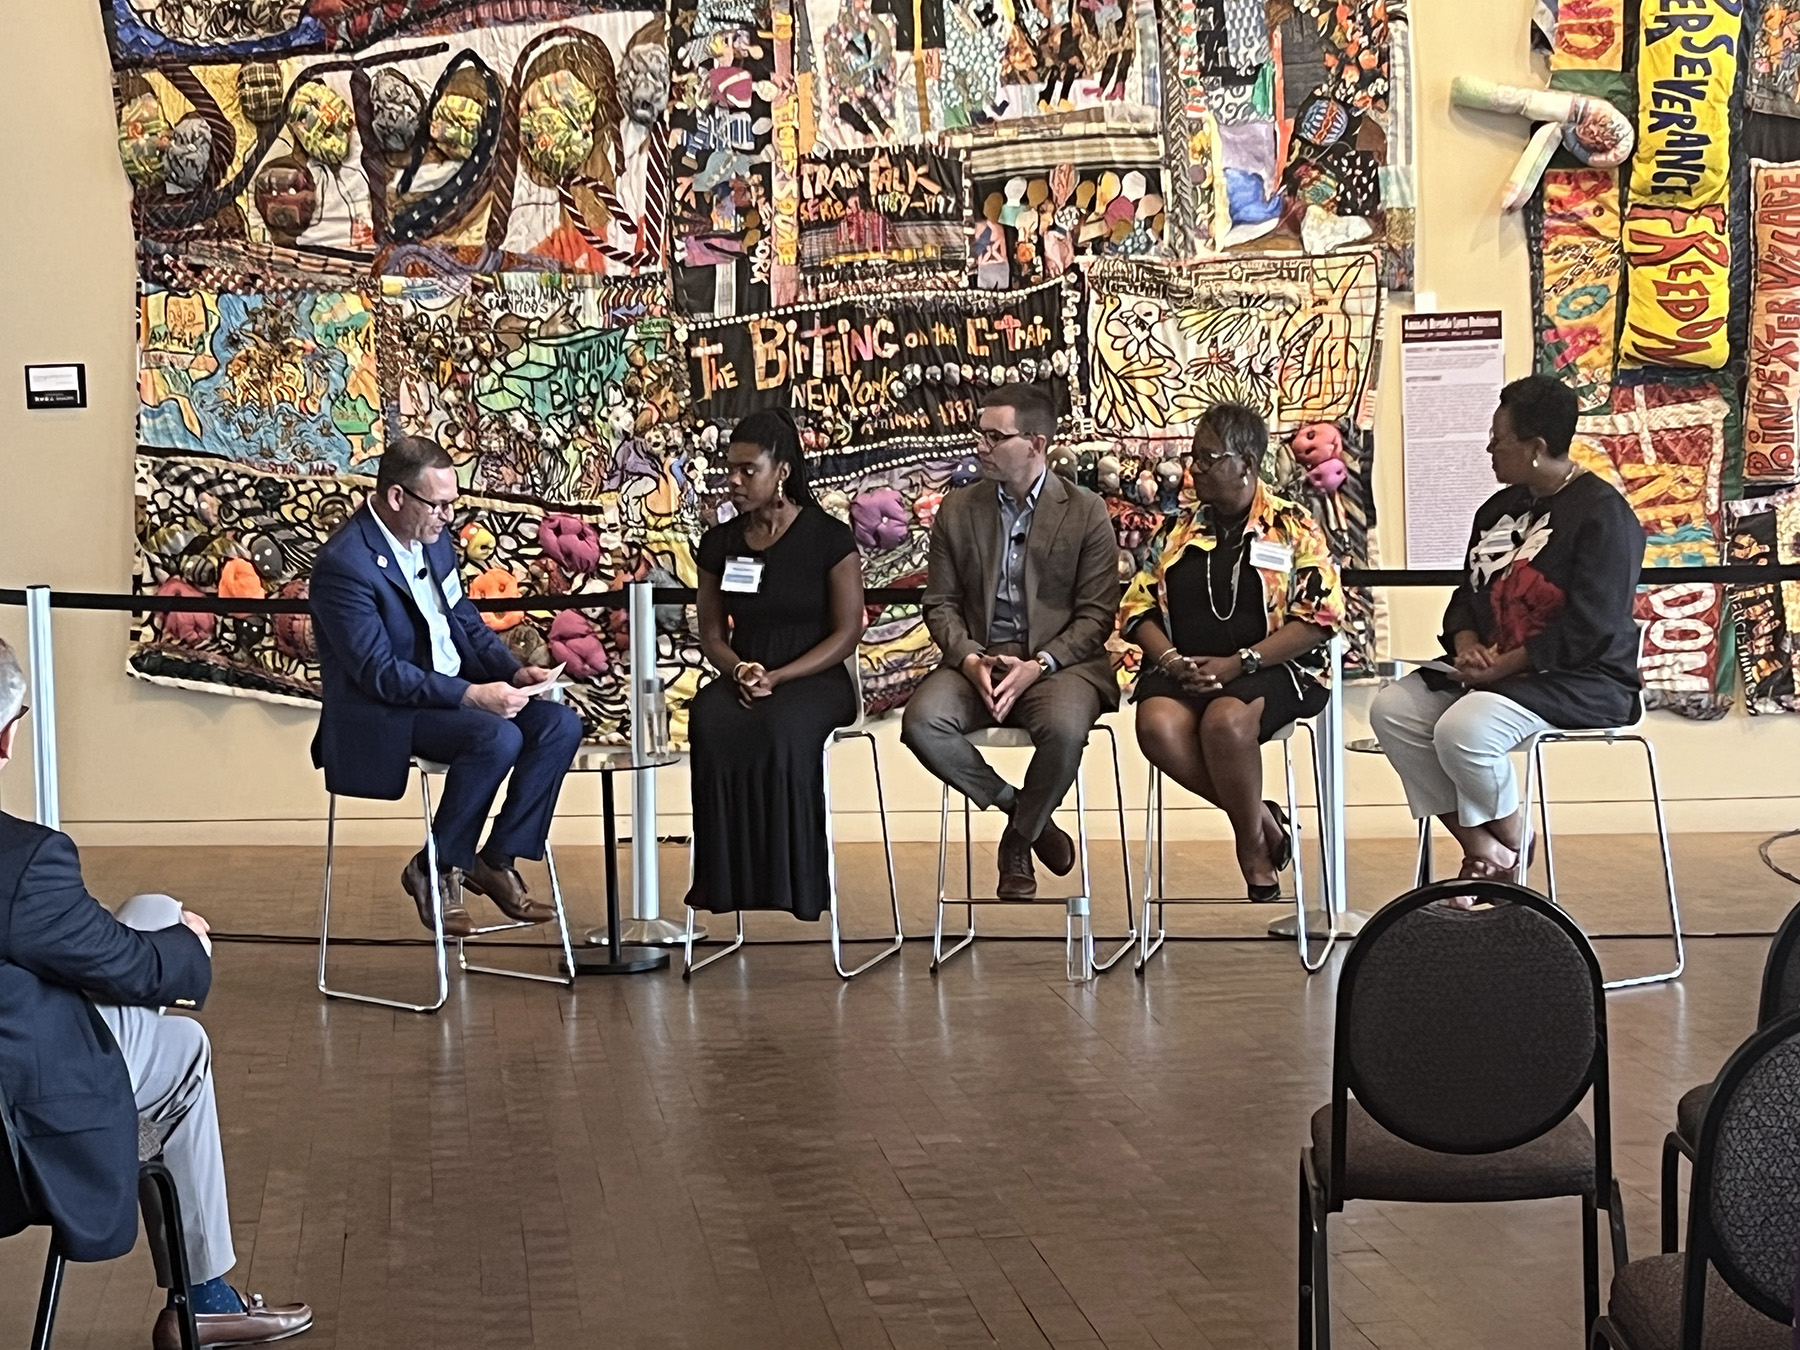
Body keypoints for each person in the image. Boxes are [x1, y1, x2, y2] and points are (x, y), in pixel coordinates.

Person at [0, 640, 312, 1349]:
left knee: (148, 920)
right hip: (20, 1131)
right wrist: (189, 946)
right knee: (180, 1030)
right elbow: (133, 970)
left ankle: (207, 1297)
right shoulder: (23, 862)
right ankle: (202, 1300)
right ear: (7, 737)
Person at [1370, 374, 1646, 883]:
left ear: (1536, 448)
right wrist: (1469, 645)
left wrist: (1504, 666)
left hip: (1579, 676)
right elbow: (1467, 598)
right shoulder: (1497, 511)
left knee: (1463, 730)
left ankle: (1498, 856)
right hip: (1496, 673)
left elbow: (1593, 626)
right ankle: (1500, 848)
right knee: (1393, 710)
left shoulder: (1604, 517)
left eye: (1499, 438)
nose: (1489, 447)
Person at [310, 435, 582, 937]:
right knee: (496, 736)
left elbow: (464, 621)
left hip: (452, 696)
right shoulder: (344, 566)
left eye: (453, 504)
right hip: (386, 712)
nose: (447, 517)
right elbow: (378, 672)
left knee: (559, 725)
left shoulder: (433, 543)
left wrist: (511, 672)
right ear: (397, 497)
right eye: (438, 505)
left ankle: (494, 860)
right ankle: (434, 869)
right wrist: (471, 695)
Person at [900, 383, 1120, 900]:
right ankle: (1022, 814)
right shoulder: (958, 510)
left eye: (994, 436)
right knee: (922, 724)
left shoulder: (1085, 511)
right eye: (980, 434)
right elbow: (940, 604)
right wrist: (969, 657)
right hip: (978, 661)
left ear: (1036, 444)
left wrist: (1040, 664)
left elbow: (1096, 617)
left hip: (1058, 666)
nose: (980, 446)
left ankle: (1016, 843)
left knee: (1066, 731)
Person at [1121, 404, 1347, 901]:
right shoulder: (1177, 529)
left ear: (1245, 463)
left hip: (1275, 665)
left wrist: (1242, 662)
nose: (1192, 470)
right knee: (1156, 726)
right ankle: (1261, 817)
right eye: (1193, 458)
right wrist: (1172, 661)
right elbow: (1136, 609)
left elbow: (1321, 616)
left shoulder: (1293, 526)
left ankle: (1250, 845)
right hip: (1186, 666)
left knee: (1224, 724)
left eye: (1206, 458)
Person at [685, 411, 866, 919]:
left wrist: (781, 676)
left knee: (783, 723)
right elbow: (713, 635)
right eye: (730, 470)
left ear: (781, 470)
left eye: (749, 470)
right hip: (747, 672)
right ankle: (728, 883)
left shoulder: (828, 538)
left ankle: (796, 886)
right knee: (710, 715)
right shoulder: (719, 544)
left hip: (816, 675)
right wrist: (739, 670)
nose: (735, 482)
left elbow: (849, 630)